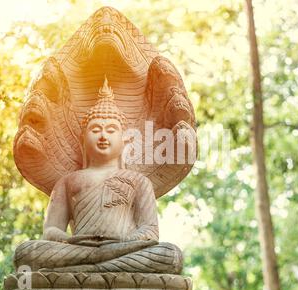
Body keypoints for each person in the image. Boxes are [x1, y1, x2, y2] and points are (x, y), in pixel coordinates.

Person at [14, 78, 182, 274]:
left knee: (169, 254)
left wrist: (120, 243)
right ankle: (100, 265)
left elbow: (150, 231)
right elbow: (51, 230)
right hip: (79, 249)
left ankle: (86, 269)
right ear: (82, 139)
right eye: (95, 130)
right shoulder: (68, 181)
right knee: (25, 253)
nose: (103, 136)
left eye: (111, 130)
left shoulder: (139, 181)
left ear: (125, 139)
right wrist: (70, 241)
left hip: (124, 249)